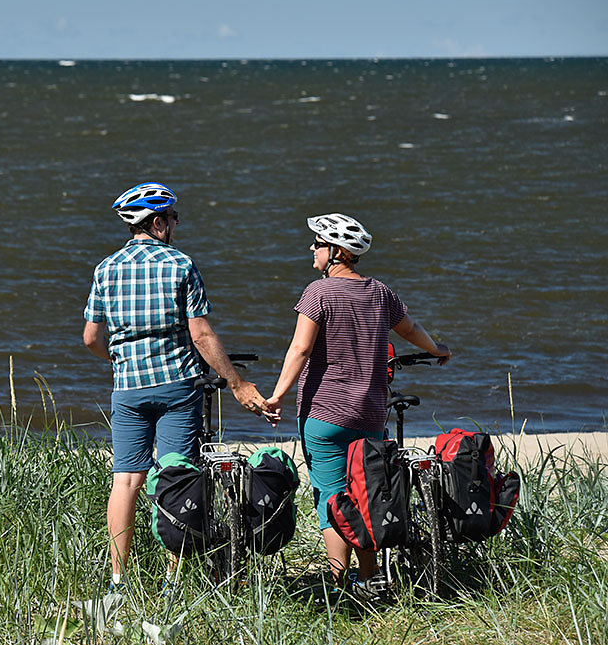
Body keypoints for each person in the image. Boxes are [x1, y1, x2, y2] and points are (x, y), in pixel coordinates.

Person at [83, 182, 268, 589]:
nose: (176, 224)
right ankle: (173, 575)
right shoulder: (180, 264)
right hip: (176, 386)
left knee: (126, 480)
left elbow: (91, 338)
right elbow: (201, 335)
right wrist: (236, 382)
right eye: (173, 217)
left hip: (128, 388)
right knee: (175, 475)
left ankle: (118, 578)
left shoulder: (105, 268)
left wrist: (122, 360)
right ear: (158, 222)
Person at [263, 213, 451, 588]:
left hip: (324, 414)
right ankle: (369, 578)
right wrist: (437, 349)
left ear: (335, 251)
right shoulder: (380, 292)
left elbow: (301, 349)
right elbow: (410, 329)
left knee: (331, 497)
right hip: (369, 415)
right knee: (367, 494)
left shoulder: (318, 292)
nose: (311, 249)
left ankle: (338, 580)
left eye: (316, 243)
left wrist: (276, 396)